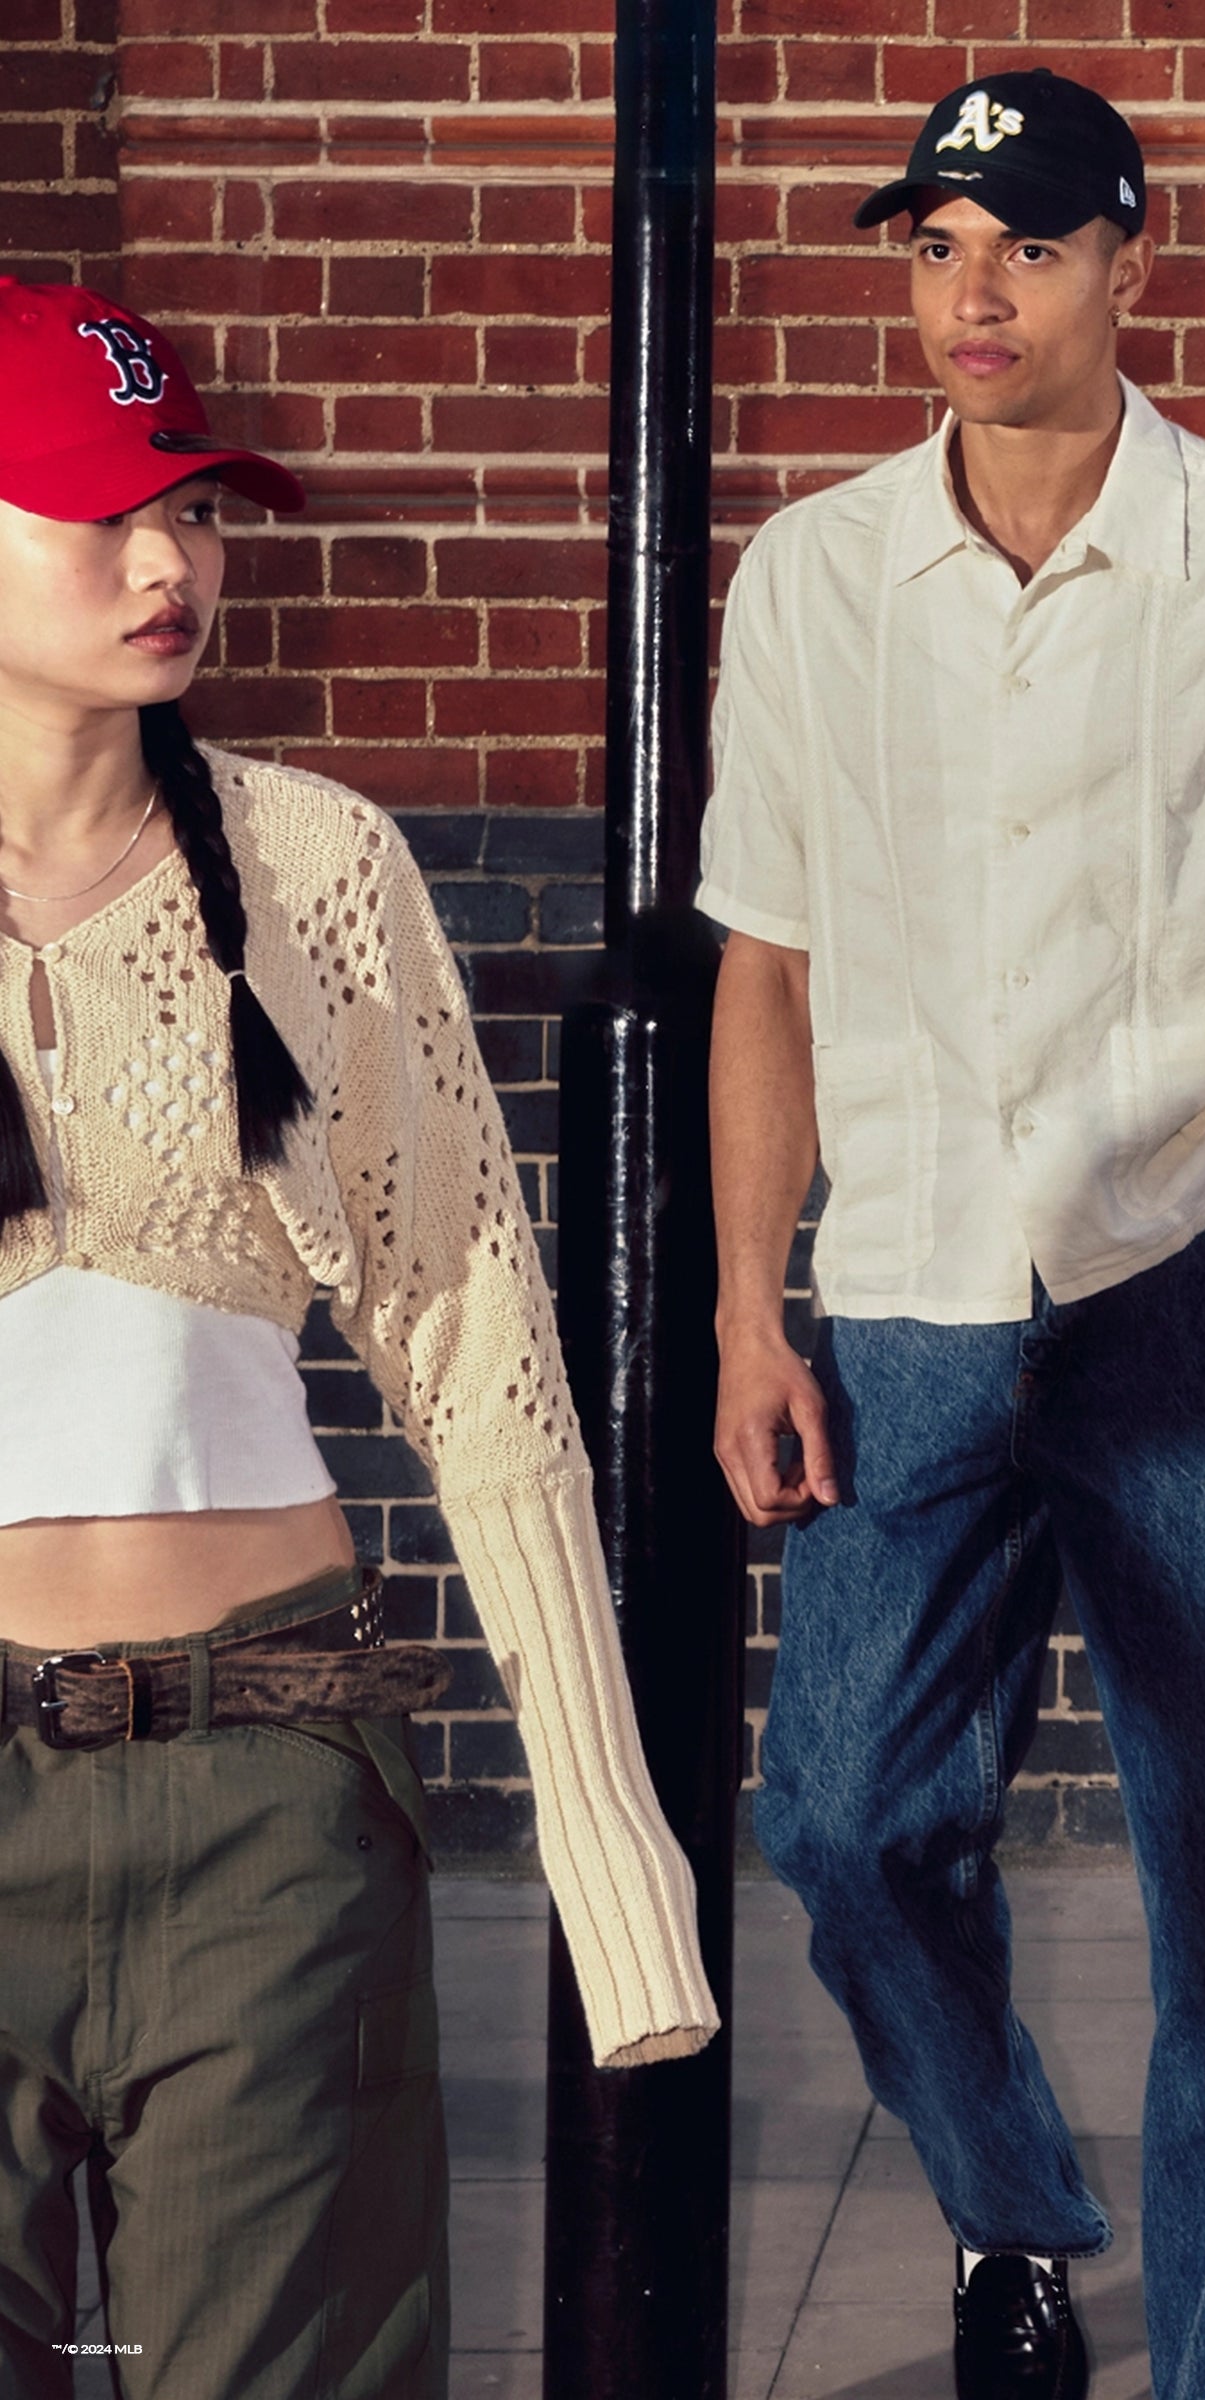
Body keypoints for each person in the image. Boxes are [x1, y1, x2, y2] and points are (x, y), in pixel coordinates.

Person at [700, 67, 1205, 2400]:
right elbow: (772, 963)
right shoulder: (815, 577)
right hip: (899, 1306)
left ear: (1135, 256)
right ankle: (1014, 2201)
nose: (972, 290)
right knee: (838, 1823)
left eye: (1022, 241)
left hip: (1170, 1315)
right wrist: (748, 1303)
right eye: (931, 244)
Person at [0, 278, 717, 2400]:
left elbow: (479, 1361)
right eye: (106, 513)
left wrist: (613, 1858)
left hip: (270, 1779)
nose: (172, 564)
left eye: (199, 514)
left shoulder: (320, 872)